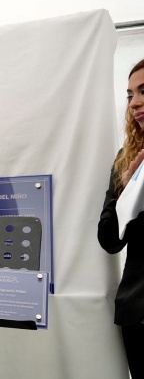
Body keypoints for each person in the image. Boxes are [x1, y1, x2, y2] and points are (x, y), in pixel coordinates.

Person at [98, 58, 144, 379]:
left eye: (143, 92)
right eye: (130, 95)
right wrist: (126, 192)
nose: (134, 103)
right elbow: (109, 240)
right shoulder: (126, 158)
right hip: (138, 311)